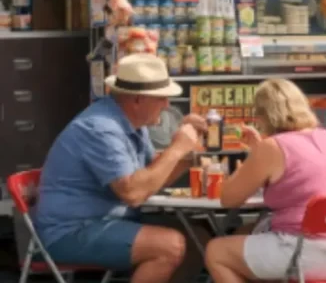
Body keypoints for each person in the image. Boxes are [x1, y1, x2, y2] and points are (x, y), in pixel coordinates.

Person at [34, 53, 204, 283]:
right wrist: (176, 149)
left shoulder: (132, 122)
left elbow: (150, 179)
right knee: (169, 246)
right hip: (70, 231)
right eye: (161, 98)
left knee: (197, 240)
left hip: (104, 221)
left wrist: (188, 156)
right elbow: (133, 193)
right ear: (137, 100)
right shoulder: (101, 128)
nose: (167, 105)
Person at [203, 79, 326, 283]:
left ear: (263, 116)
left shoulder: (271, 147)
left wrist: (248, 160)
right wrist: (259, 150)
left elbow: (228, 198)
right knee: (247, 233)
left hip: (312, 253)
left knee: (216, 252)